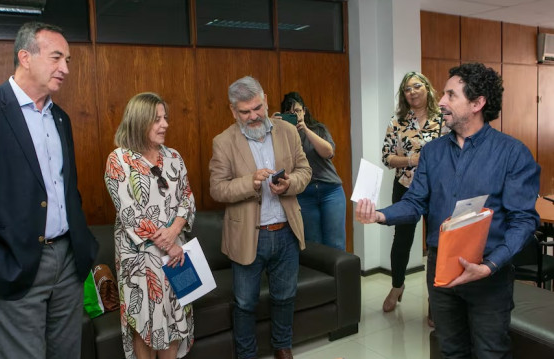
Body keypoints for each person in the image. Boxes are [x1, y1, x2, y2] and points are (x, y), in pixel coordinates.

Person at [356, 62, 540, 359]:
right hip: (441, 272)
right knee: (449, 350)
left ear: (478, 103)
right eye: (443, 94)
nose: (440, 101)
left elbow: (523, 221)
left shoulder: (512, 153)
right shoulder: (432, 152)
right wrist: (379, 215)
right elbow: (415, 201)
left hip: (488, 274)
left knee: (490, 352)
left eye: (451, 95)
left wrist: (491, 266)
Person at [0, 22, 98, 358]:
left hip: (68, 262)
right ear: (25, 57)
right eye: (57, 58)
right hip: (13, 263)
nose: (65, 69)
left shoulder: (61, 119)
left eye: (67, 60)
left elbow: (66, 189)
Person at [209, 76, 311, 359]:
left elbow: (305, 170)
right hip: (248, 236)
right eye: (245, 112)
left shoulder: (288, 131)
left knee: (285, 297)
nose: (253, 116)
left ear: (265, 100)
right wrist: (249, 183)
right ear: (233, 111)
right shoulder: (223, 142)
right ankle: (246, 354)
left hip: (286, 231)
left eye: (257, 108)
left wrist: (289, 184)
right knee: (244, 303)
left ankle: (282, 347)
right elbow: (217, 188)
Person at [104, 92, 196, 359]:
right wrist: (167, 242)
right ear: (138, 121)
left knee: (175, 319)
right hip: (139, 260)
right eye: (156, 119)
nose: (165, 124)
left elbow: (187, 199)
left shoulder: (174, 157)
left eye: (165, 117)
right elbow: (129, 213)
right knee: (143, 321)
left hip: (176, 254)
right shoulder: (118, 160)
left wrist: (175, 233)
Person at [380, 72, 444, 314]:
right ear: (403, 95)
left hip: (438, 190)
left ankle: (435, 299)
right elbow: (386, 157)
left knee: (437, 244)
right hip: (406, 187)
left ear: (427, 88)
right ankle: (397, 286)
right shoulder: (397, 122)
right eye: (407, 89)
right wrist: (411, 159)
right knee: (402, 240)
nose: (412, 91)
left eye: (417, 86)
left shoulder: (443, 121)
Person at [276, 92, 347, 251]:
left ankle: (338, 276)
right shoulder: (283, 136)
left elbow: (328, 152)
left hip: (331, 191)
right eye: (289, 113)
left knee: (336, 243)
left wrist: (305, 129)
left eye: (298, 111)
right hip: (304, 194)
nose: (295, 115)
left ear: (304, 111)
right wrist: (276, 128)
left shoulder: (318, 129)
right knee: (312, 243)